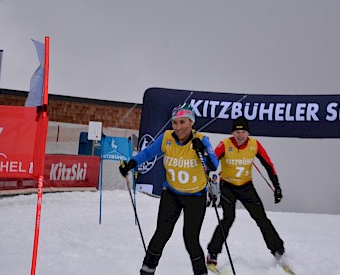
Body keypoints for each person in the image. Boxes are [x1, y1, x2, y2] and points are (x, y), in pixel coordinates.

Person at [119, 103, 219, 275]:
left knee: (190, 239)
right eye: (175, 123)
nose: (178, 127)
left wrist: (202, 152)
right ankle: (147, 271)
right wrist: (131, 163)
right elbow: (148, 153)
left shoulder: (201, 140)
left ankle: (201, 272)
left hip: (195, 196)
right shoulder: (167, 138)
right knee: (161, 234)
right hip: (171, 193)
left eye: (183, 122)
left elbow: (214, 165)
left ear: (191, 122)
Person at [206, 116, 285, 267]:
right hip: (227, 187)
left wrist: (277, 187)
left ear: (248, 133)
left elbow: (268, 164)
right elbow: (212, 163)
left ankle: (278, 250)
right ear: (232, 133)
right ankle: (213, 252)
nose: (240, 135)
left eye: (243, 132)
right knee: (228, 218)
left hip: (246, 187)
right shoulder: (225, 144)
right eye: (237, 132)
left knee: (261, 218)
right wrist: (207, 174)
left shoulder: (254, 144)